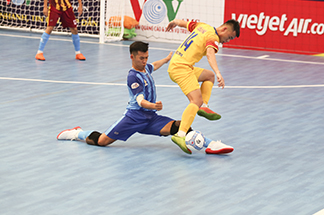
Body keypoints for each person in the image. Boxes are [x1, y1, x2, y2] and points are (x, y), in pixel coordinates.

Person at [57, 41, 233, 154]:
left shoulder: (145, 67)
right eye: (141, 58)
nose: (144, 61)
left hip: (151, 119)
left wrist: (165, 59)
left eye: (146, 57)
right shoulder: (133, 76)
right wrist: (153, 106)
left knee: (179, 126)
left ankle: (210, 144)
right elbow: (140, 100)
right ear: (132, 57)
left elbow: (153, 66)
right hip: (134, 118)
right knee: (102, 141)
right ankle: (77, 133)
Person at [165, 19, 240, 154]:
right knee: (195, 100)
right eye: (229, 38)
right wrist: (218, 73)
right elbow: (210, 54)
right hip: (181, 68)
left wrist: (175, 22)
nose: (226, 41)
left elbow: (185, 23)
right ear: (224, 30)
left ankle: (203, 106)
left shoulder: (203, 26)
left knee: (208, 76)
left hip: (179, 64)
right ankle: (180, 135)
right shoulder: (213, 36)